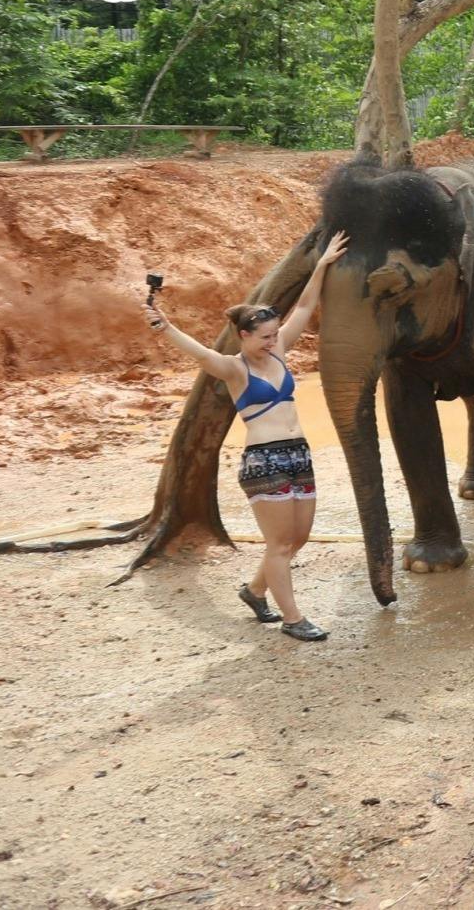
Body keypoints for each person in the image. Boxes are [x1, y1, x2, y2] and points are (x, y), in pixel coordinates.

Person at [145, 231, 350, 641]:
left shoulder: (279, 352)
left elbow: (306, 305)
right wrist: (165, 327)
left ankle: (255, 591)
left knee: (299, 539)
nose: (273, 341)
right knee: (279, 545)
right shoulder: (235, 369)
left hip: (298, 454)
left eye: (275, 334)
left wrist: (322, 263)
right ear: (243, 336)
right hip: (265, 461)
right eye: (264, 337)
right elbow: (201, 354)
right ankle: (293, 619)